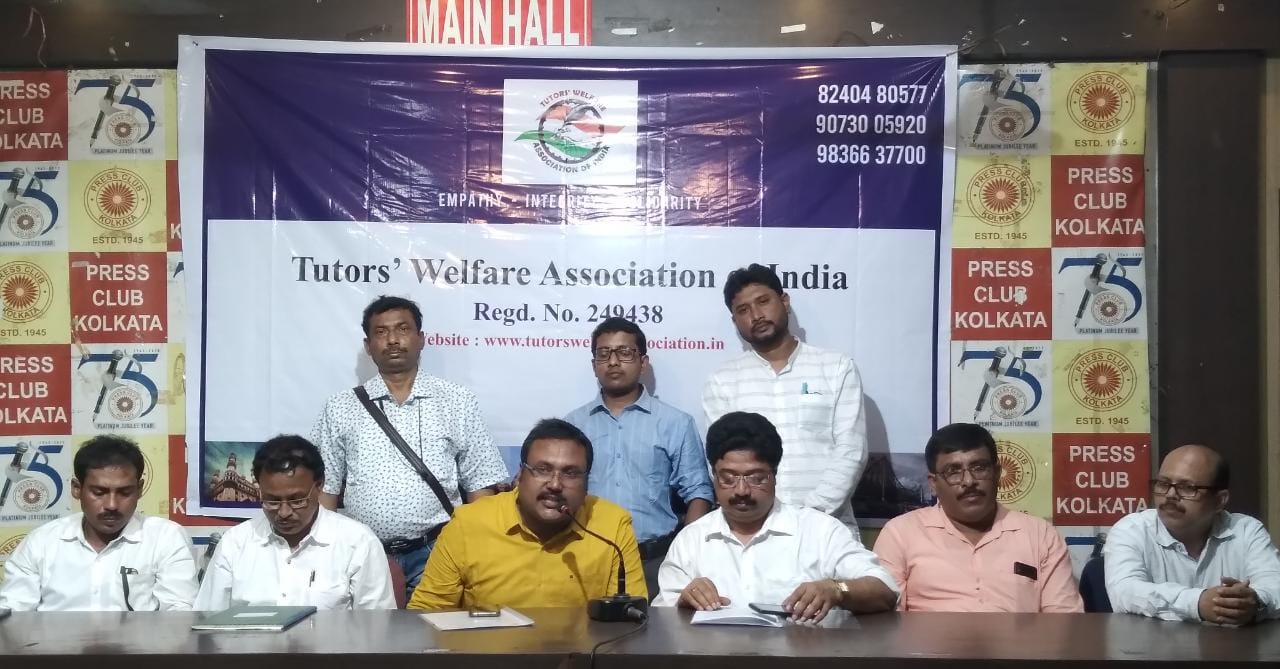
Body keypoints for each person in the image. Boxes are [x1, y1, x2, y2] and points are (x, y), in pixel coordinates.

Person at [311, 295, 509, 591]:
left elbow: (480, 487)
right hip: (362, 554)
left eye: (403, 329)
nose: (393, 340)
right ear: (368, 345)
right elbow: (325, 491)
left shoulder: (457, 401)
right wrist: (327, 556)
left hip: (438, 553)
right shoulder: (340, 407)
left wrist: (478, 551)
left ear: (421, 339)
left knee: (434, 623)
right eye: (381, 332)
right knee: (367, 624)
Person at [653, 412, 897, 622]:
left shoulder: (819, 531)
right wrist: (683, 602)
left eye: (756, 478)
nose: (741, 491)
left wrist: (836, 590)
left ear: (775, 475)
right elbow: (662, 620)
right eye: (728, 478)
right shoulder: (691, 540)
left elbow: (885, 590)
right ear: (714, 476)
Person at [407, 419, 646, 610]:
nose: (555, 484)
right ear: (520, 475)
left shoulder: (612, 526)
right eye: (542, 470)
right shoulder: (468, 524)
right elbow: (427, 612)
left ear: (586, 482)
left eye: (570, 473)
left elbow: (628, 618)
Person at [702, 263, 867, 528]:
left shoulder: (836, 367)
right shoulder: (723, 380)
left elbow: (851, 451)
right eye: (743, 310)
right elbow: (722, 461)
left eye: (763, 302)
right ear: (735, 321)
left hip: (827, 528)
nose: (756, 315)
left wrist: (809, 517)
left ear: (785, 301)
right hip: (753, 530)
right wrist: (765, 522)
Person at [565, 317, 713, 598]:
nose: (613, 362)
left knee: (658, 628)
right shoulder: (573, 426)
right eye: (604, 354)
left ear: (643, 362)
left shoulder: (675, 423)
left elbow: (699, 493)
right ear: (594, 364)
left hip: (655, 561)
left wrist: (685, 553)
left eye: (625, 352)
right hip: (587, 557)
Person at [872, 423, 1082, 612]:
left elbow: (1064, 622)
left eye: (979, 468)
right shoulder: (901, 534)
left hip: (1020, 644)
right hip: (928, 644)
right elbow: (889, 624)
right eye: (953, 471)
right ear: (933, 483)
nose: (969, 481)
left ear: (997, 473)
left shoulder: (1040, 535)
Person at [194, 435, 395, 610]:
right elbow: (207, 621)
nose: (284, 513)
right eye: (272, 501)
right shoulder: (235, 543)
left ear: (319, 485)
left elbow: (377, 628)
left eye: (297, 500)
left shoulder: (358, 543)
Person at [0, 436, 196, 611]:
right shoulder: (42, 541)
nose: (112, 505)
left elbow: (179, 615)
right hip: (53, 642)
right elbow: (14, 614)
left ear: (140, 489)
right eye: (99, 492)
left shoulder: (166, 538)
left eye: (125, 493)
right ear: (77, 489)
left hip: (143, 642)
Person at [1105, 444, 1280, 624]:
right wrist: (1197, 603)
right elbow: (1124, 592)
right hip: (1152, 642)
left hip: (1233, 642)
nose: (1170, 495)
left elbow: (1275, 586)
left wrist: (1253, 602)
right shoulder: (1131, 529)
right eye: (1163, 484)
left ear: (1219, 501)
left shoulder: (1246, 531)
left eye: (1187, 487)